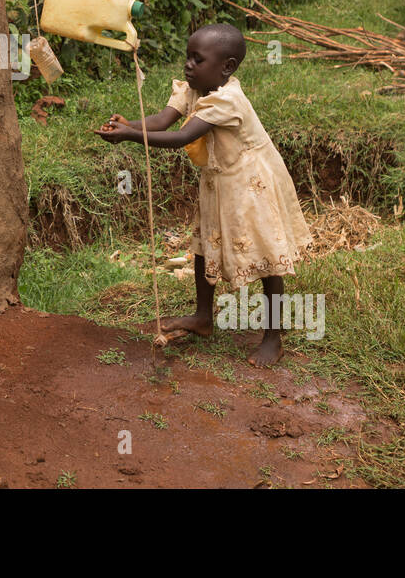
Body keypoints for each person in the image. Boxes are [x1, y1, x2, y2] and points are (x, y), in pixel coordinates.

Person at [95, 22, 312, 366]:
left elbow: (182, 137)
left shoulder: (227, 100)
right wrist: (131, 125)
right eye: (188, 58)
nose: (188, 66)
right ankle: (203, 318)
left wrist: (128, 137)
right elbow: (164, 121)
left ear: (226, 67)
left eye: (198, 60)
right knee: (203, 245)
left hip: (251, 185)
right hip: (219, 181)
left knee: (268, 258)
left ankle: (273, 337)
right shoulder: (195, 88)